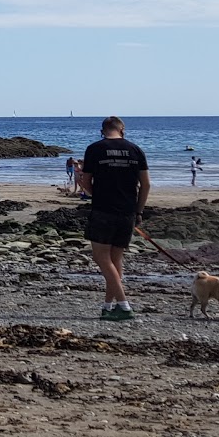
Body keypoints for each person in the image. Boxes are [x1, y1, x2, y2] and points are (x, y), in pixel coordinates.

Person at [76, 116, 150, 322]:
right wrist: (139, 211)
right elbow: (146, 184)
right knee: (115, 260)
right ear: (122, 129)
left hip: (103, 209)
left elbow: (84, 180)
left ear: (103, 130)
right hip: (127, 211)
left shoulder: (95, 149)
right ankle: (108, 306)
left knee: (101, 258)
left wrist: (95, 194)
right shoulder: (135, 150)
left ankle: (124, 305)